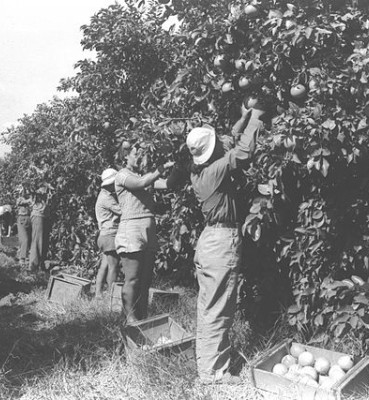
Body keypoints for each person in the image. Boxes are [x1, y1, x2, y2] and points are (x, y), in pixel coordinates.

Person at [186, 107, 264, 385]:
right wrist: (256, 117)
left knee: (208, 305)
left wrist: (243, 116)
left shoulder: (199, 170)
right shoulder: (216, 170)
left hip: (209, 240)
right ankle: (214, 374)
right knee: (219, 307)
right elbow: (242, 152)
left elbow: (227, 141)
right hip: (221, 243)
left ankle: (206, 367)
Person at [115, 142, 174, 323]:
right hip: (131, 230)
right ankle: (130, 319)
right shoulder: (123, 175)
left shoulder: (144, 176)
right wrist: (162, 167)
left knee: (145, 280)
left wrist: (178, 165)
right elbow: (141, 183)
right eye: (136, 154)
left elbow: (167, 184)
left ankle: (142, 317)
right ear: (125, 156)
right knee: (132, 278)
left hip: (148, 229)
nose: (140, 158)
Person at [94, 168, 122, 297]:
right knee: (113, 266)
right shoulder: (107, 198)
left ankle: (98, 294)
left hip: (104, 234)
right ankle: (111, 295)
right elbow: (121, 211)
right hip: (109, 235)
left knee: (104, 266)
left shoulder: (104, 195)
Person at [29, 185, 52, 272]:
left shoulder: (48, 188)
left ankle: (40, 264)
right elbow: (32, 192)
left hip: (44, 216)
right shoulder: (37, 187)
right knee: (37, 240)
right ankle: (33, 266)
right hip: (38, 215)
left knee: (43, 241)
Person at [15, 186, 33, 267]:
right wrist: (29, 201)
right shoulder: (20, 198)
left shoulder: (31, 198)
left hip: (29, 219)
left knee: (28, 240)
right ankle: (22, 259)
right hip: (22, 218)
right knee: (24, 239)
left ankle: (26, 257)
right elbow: (20, 202)